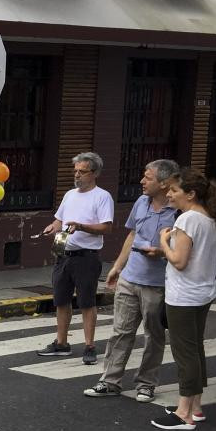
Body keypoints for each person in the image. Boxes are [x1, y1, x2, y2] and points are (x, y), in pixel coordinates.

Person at [84, 159, 178, 402]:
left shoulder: (178, 210)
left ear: (165, 183)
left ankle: (146, 383)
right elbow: (132, 234)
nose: (142, 181)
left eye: (148, 178)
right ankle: (109, 380)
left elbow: (184, 248)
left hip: (158, 282)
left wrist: (160, 251)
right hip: (130, 277)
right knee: (120, 331)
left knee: (153, 335)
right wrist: (117, 266)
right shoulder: (140, 202)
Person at [151, 167, 216, 431]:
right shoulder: (208, 218)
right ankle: (195, 407)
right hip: (203, 292)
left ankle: (183, 412)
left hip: (184, 295)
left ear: (191, 194)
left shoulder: (186, 220)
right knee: (195, 349)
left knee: (185, 352)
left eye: (174, 190)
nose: (170, 194)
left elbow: (179, 261)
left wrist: (164, 242)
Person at [38, 152, 115, 364]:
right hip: (63, 254)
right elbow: (58, 220)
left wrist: (81, 226)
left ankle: (90, 345)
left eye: (82, 172)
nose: (77, 175)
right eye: (75, 171)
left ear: (94, 173)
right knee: (61, 300)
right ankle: (61, 343)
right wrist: (51, 228)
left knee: (86, 302)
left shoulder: (102, 196)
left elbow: (106, 227)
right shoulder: (70, 195)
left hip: (86, 257)